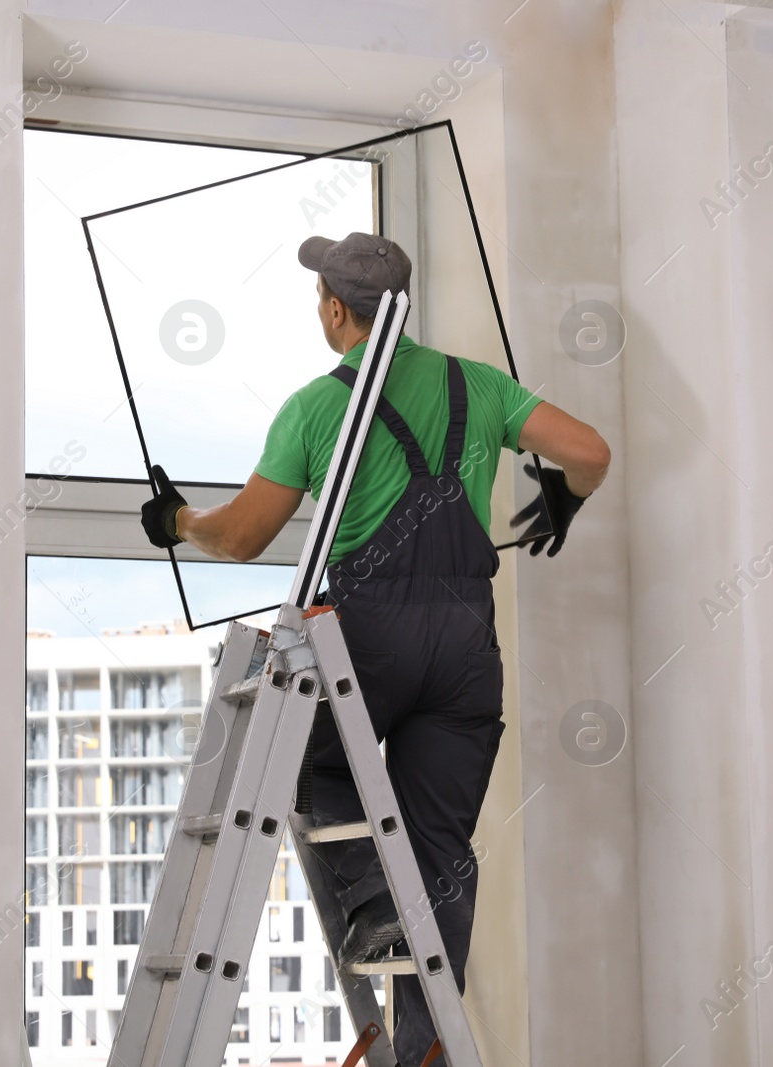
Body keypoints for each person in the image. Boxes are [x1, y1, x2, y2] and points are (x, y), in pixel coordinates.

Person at [140, 232, 609, 1064]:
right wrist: (564, 497)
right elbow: (590, 453)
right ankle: (428, 1048)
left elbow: (244, 537)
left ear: (333, 308)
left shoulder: (318, 406)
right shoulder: (479, 383)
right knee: (440, 851)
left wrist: (178, 523)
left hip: (366, 641)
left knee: (308, 765)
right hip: (465, 643)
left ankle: (367, 899)